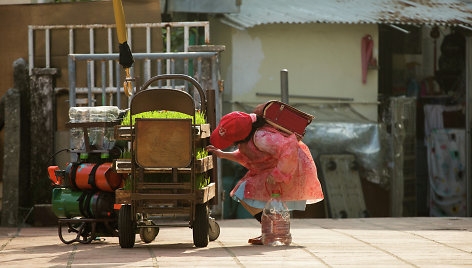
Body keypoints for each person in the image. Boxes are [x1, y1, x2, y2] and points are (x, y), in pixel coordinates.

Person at [206, 110, 324, 245]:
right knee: (245, 192)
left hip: (289, 168)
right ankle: (271, 230)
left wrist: (279, 174)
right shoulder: (252, 136)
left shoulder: (262, 138)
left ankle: (273, 230)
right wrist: (222, 154)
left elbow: (289, 148)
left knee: (247, 192)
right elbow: (246, 155)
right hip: (275, 168)